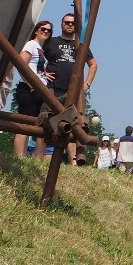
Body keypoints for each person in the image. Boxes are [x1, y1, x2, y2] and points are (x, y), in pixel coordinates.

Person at [44, 14, 98, 165]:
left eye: (72, 23)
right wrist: (42, 73)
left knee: (73, 124)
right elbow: (37, 57)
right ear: (61, 24)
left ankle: (73, 161)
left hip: (73, 91)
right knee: (46, 120)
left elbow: (93, 65)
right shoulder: (51, 42)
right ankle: (43, 157)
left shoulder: (81, 45)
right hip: (53, 89)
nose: (69, 25)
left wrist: (87, 84)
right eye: (66, 22)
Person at [13, 20, 53, 158]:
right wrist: (31, 85)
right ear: (36, 30)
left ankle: (30, 156)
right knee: (25, 122)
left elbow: (34, 67)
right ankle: (20, 156)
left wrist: (44, 73)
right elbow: (21, 64)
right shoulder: (31, 44)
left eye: (49, 30)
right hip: (29, 89)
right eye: (43, 28)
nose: (46, 31)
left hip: (40, 90)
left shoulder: (40, 49)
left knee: (35, 124)